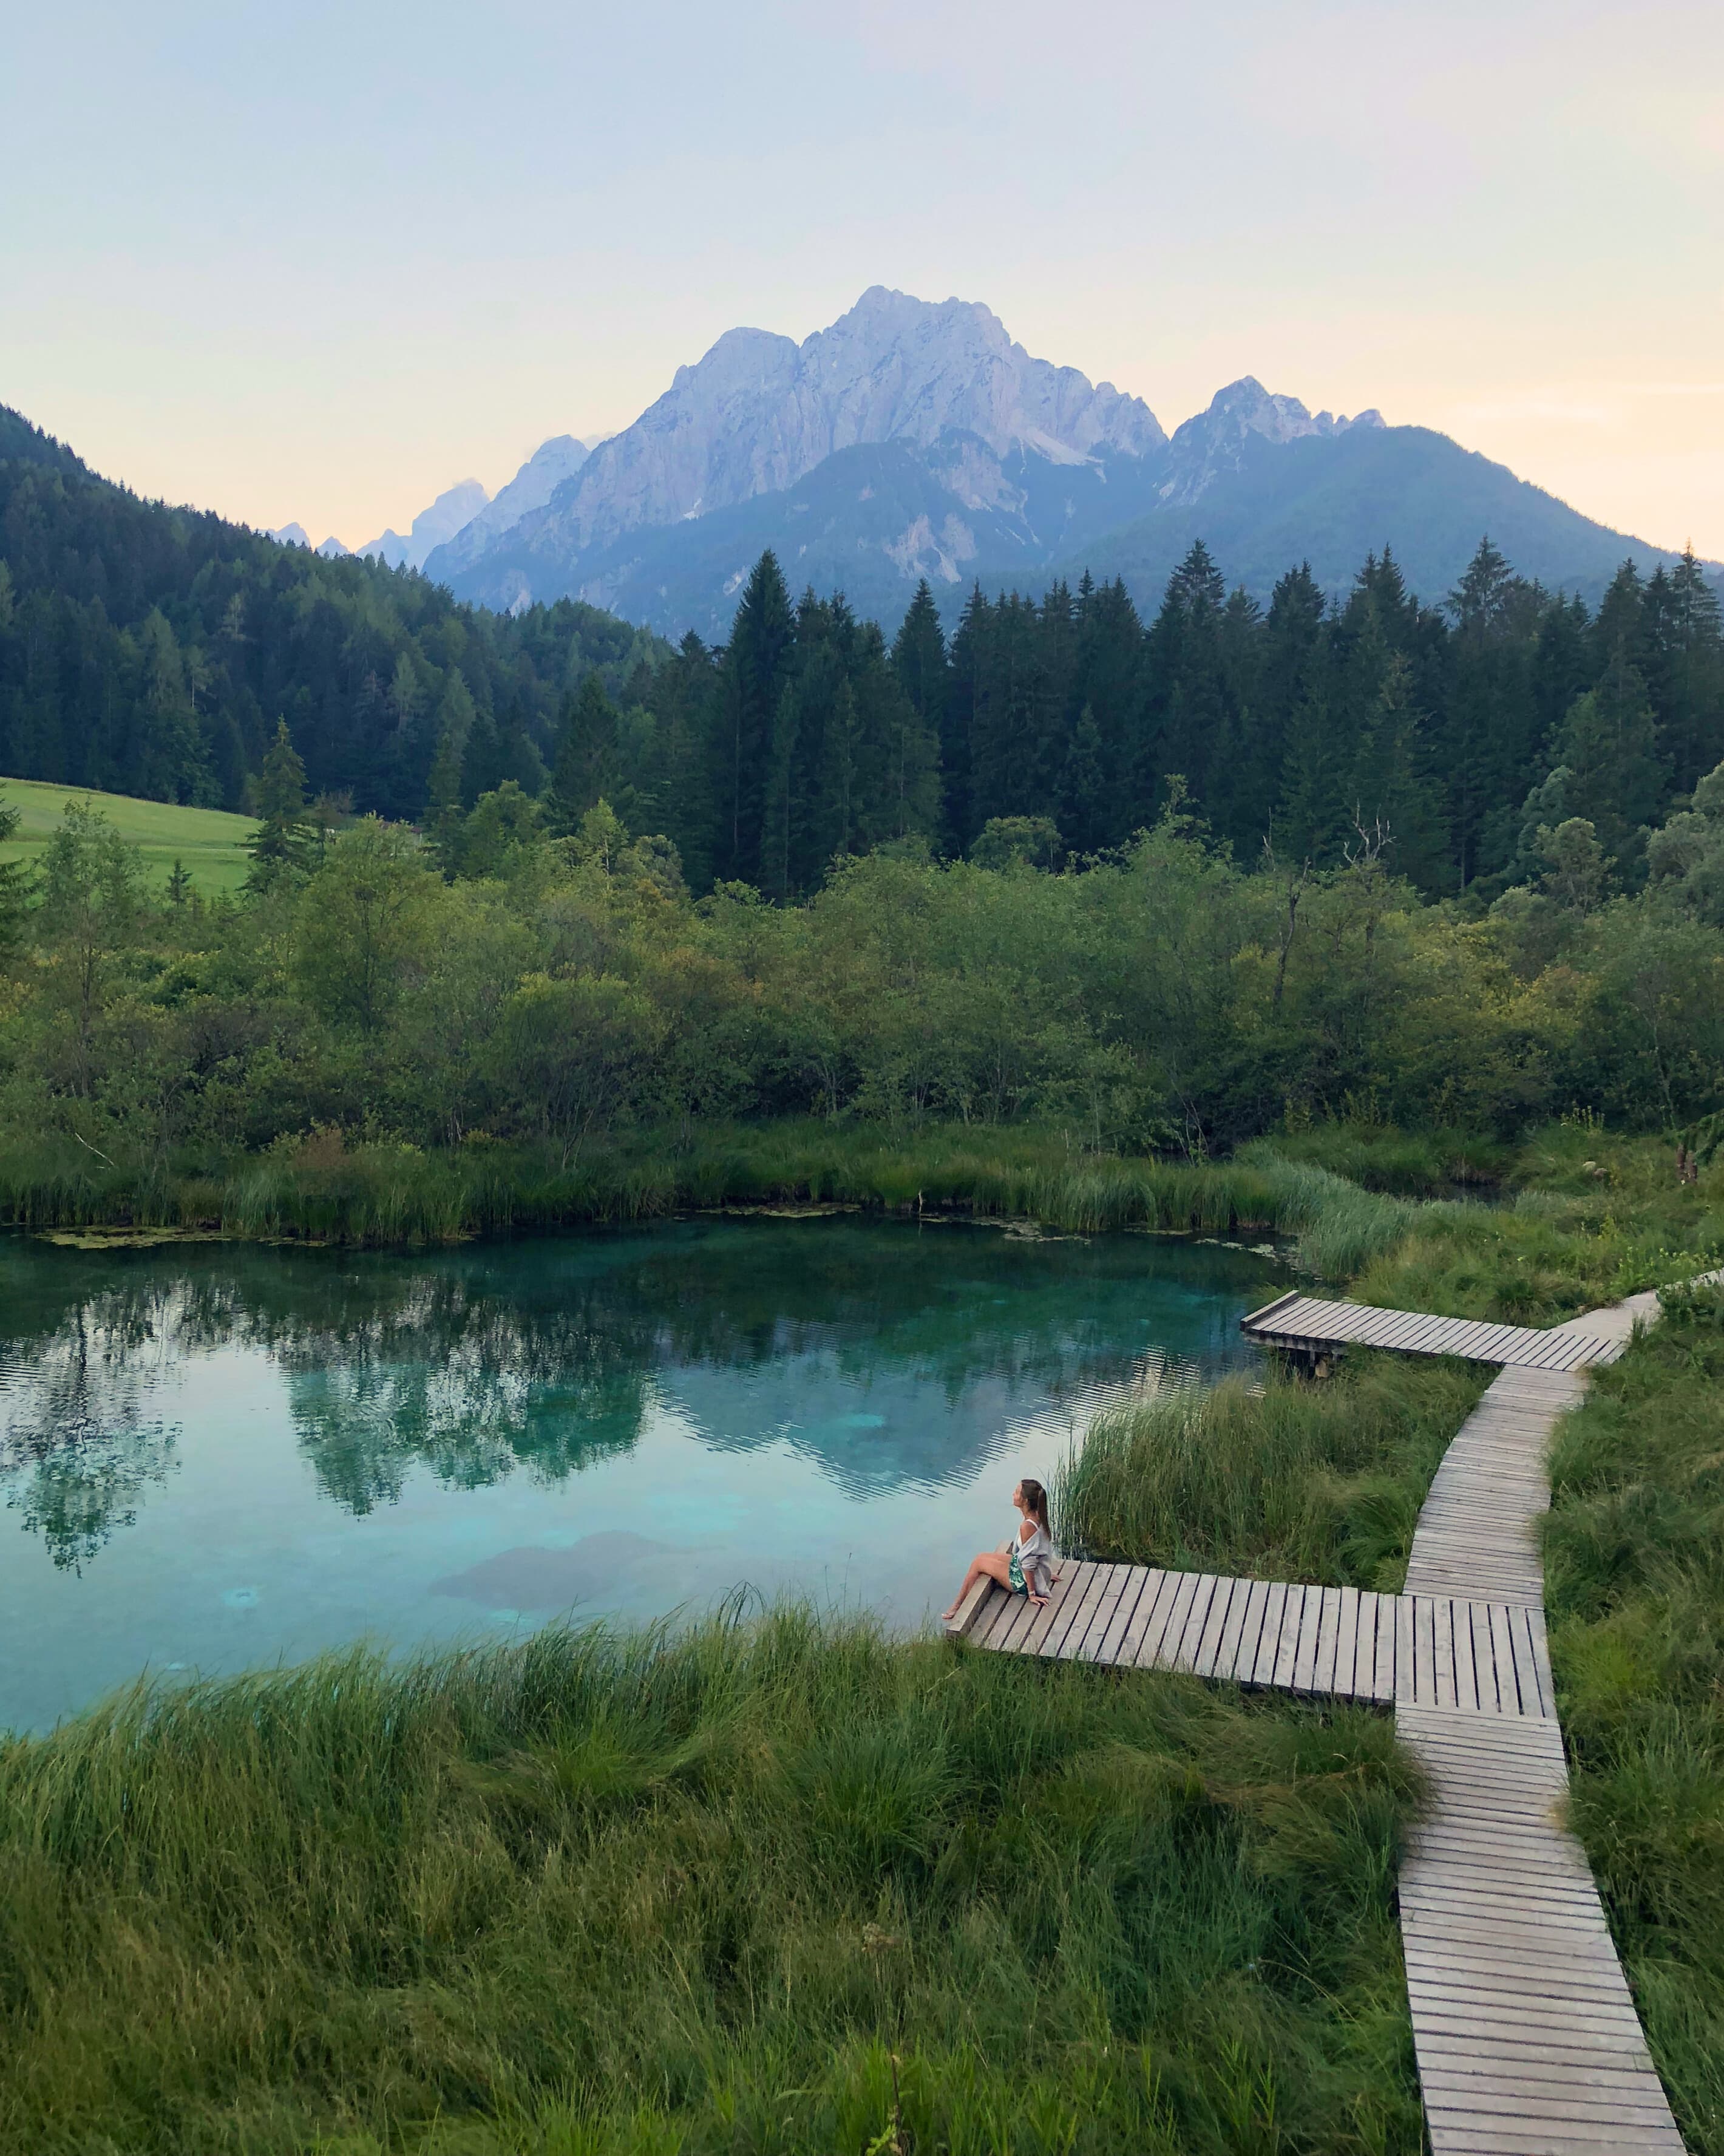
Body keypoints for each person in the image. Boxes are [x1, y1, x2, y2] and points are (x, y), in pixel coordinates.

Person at [940, 1477, 1057, 1621]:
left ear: (1026, 1501)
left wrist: (1032, 1593)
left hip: (1022, 1582)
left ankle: (957, 1607)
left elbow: (1029, 1562)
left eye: (1016, 1493)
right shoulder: (1039, 1517)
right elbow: (1040, 1551)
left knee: (978, 1564)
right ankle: (958, 1606)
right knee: (980, 1557)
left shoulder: (1028, 1526)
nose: (1013, 1495)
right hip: (1025, 1568)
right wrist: (1045, 1572)